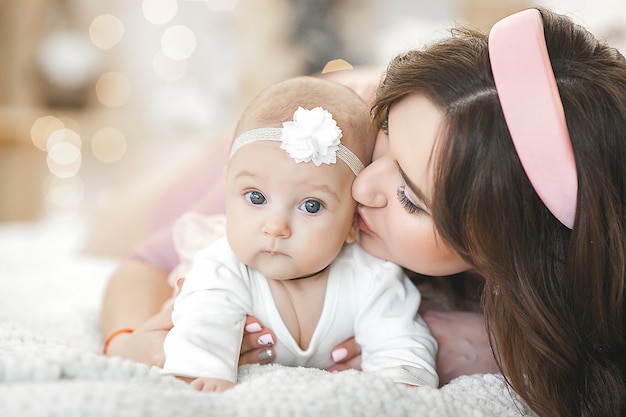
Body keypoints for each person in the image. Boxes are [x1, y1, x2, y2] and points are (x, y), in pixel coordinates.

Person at [100, 69, 493, 385]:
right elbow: (146, 263)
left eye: (410, 196)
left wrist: (495, 351)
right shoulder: (296, 146)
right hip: (304, 109)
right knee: (113, 225)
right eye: (386, 141)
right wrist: (127, 344)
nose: (362, 188)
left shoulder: (374, 273)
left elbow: (403, 356)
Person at [354, 7, 625, 417]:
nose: (361, 185)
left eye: (410, 199)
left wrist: (503, 350)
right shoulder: (338, 117)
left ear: (508, 248)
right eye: (385, 132)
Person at [159, 76, 438, 392]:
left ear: (351, 221)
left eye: (311, 205)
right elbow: (203, 329)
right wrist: (201, 373)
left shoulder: (373, 277)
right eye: (255, 198)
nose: (276, 226)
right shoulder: (222, 268)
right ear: (227, 188)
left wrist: (402, 383)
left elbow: (401, 342)